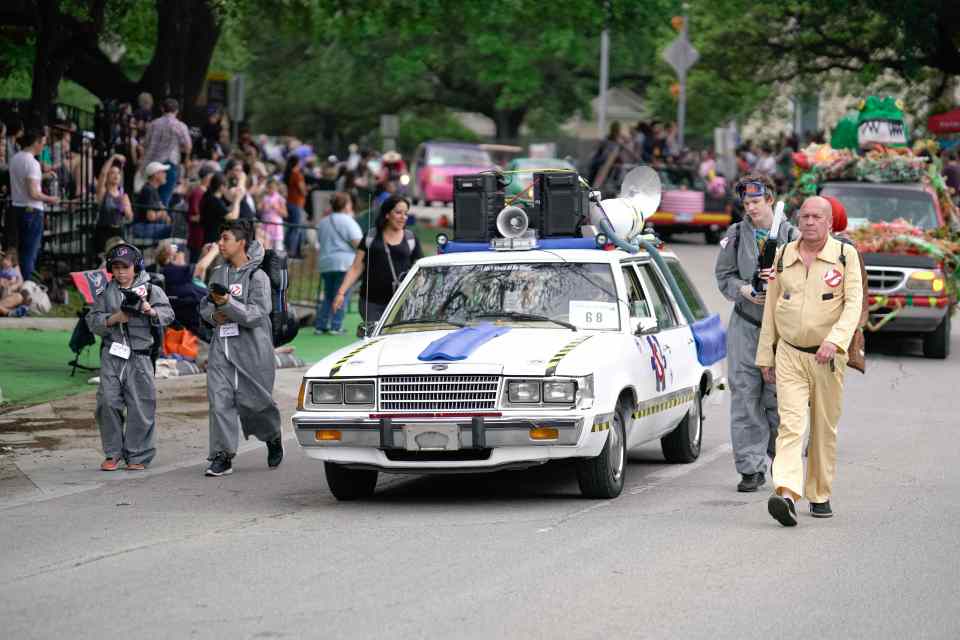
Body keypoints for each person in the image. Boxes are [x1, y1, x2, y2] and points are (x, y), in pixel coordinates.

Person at [757, 196, 864, 526]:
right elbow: (771, 307)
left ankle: (819, 493)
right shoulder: (782, 256)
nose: (809, 222)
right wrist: (766, 354)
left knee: (822, 429)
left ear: (830, 223)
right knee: (790, 425)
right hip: (789, 353)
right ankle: (787, 493)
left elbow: (854, 305)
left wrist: (835, 341)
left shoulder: (845, 257)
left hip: (827, 359)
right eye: (804, 216)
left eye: (817, 217)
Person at [715, 174, 799, 492]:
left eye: (756, 202)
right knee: (745, 397)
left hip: (782, 331)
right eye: (746, 203)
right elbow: (724, 275)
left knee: (779, 399)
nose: (750, 208)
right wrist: (744, 290)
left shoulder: (792, 236)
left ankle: (782, 458)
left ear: (770, 201)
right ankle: (750, 468)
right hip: (746, 326)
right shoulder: (736, 235)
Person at [199, 219, 283, 477]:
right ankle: (222, 455)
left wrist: (227, 305)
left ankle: (272, 436)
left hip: (252, 351)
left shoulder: (258, 276)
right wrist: (214, 316)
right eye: (219, 239)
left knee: (255, 403)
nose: (220, 244)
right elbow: (205, 306)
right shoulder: (217, 273)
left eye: (225, 239)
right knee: (219, 401)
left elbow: (258, 314)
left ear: (241, 243)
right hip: (221, 349)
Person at [87, 243, 174, 471]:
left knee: (140, 405)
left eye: (125, 267)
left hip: (141, 355)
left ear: (136, 266)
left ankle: (138, 454)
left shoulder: (152, 289)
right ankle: (113, 453)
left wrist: (150, 311)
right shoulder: (104, 291)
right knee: (107, 401)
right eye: (115, 267)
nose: (120, 272)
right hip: (112, 353)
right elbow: (92, 320)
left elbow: (168, 314)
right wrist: (115, 318)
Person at [332, 195, 422, 324]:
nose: (403, 217)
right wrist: (341, 293)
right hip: (371, 302)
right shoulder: (371, 236)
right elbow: (356, 267)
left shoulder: (410, 238)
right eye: (398, 213)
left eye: (405, 213)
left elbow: (420, 271)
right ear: (387, 214)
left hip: (401, 303)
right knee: (374, 339)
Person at [9, 129, 58, 281]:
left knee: (17, 250)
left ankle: (17, 285)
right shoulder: (32, 162)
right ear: (36, 143)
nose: (43, 147)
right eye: (42, 143)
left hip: (16, 208)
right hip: (32, 211)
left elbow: (24, 181)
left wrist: (42, 176)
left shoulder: (15, 158)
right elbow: (33, 193)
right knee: (29, 253)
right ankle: (27, 288)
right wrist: (51, 199)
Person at [315, 192, 362, 335]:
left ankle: (321, 324)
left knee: (328, 295)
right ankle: (336, 325)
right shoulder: (348, 221)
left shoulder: (323, 221)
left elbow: (319, 240)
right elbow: (359, 242)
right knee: (342, 294)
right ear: (347, 205)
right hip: (344, 262)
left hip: (325, 263)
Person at [140, 98, 192, 206]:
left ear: (162, 109)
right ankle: (160, 221)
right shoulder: (180, 126)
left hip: (151, 164)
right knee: (165, 197)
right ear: (177, 111)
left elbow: (145, 144)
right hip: (170, 164)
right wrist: (180, 149)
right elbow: (188, 146)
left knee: (149, 196)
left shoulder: (153, 124)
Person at [93, 153, 134, 255]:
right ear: (108, 176)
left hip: (118, 231)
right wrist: (113, 157)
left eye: (118, 173)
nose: (116, 175)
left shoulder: (123, 196)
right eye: (112, 173)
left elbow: (129, 217)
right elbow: (102, 173)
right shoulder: (103, 192)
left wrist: (125, 206)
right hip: (104, 231)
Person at [133, 161, 173, 239]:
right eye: (163, 172)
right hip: (141, 228)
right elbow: (151, 216)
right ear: (156, 174)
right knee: (173, 230)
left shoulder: (153, 190)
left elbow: (162, 211)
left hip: (147, 227)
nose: (165, 174)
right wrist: (162, 213)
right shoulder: (148, 190)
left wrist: (163, 213)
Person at [200, 172, 241, 244]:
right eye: (227, 186)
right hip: (213, 240)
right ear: (221, 187)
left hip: (208, 237)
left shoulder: (209, 197)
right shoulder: (215, 201)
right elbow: (233, 217)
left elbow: (225, 211)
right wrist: (237, 200)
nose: (228, 189)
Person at [283, 155, 306, 258]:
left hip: (290, 202)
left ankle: (287, 248)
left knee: (291, 227)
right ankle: (292, 252)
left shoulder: (289, 173)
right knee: (296, 228)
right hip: (297, 203)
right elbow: (302, 190)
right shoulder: (297, 174)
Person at [259, 177, 287, 250]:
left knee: (278, 248)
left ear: (276, 188)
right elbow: (259, 209)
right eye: (269, 187)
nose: (270, 189)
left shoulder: (280, 198)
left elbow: (285, 214)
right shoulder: (265, 197)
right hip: (266, 226)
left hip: (276, 226)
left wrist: (276, 208)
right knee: (266, 248)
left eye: (272, 187)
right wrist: (262, 207)